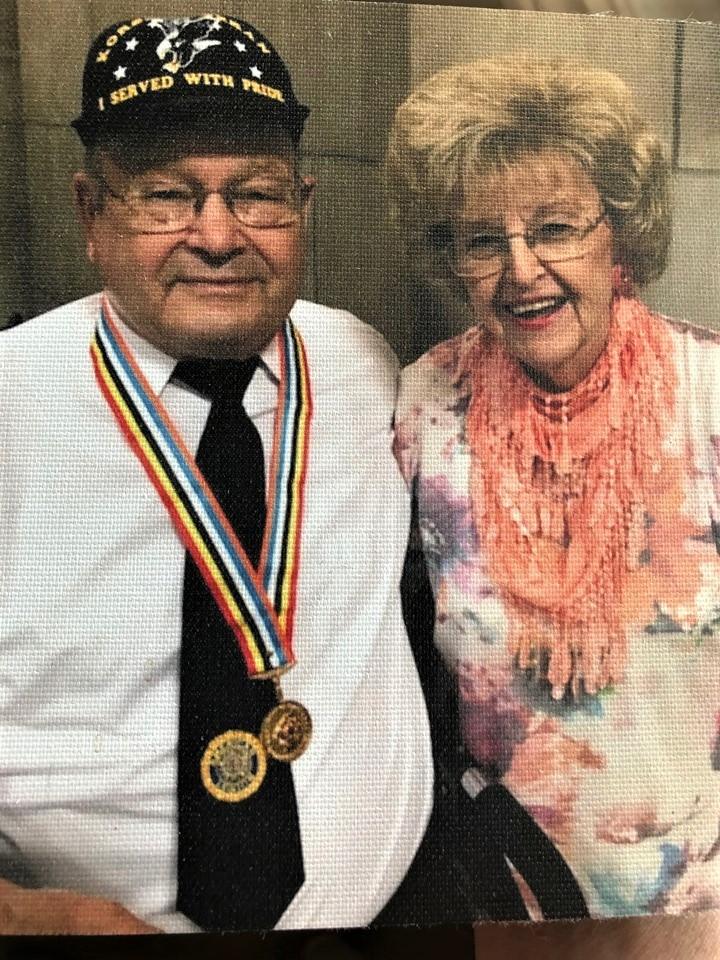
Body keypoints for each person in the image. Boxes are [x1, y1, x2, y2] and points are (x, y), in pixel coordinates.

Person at [0, 13, 433, 934]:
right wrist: (25, 920)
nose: (218, 234)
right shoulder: (9, 407)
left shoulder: (364, 365)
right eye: (166, 194)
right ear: (90, 213)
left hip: (397, 913)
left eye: (258, 194)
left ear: (305, 204)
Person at [387, 51, 720, 934]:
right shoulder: (425, 404)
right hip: (493, 895)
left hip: (701, 903)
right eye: (483, 240)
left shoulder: (711, 396)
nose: (522, 269)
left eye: (556, 228)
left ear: (619, 232)